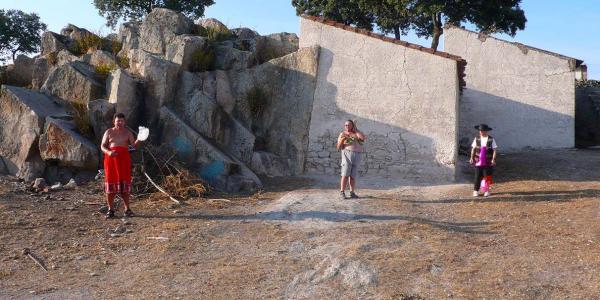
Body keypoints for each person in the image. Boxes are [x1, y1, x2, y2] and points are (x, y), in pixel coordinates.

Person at [101, 113, 140, 218]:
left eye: (122, 121)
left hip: (124, 160)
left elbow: (134, 146)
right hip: (111, 160)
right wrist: (109, 152)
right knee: (110, 185)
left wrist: (140, 138)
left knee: (125, 186)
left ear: (125, 122)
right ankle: (111, 210)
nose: (120, 123)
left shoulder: (128, 133)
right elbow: (103, 146)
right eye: (118, 121)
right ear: (114, 121)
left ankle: (127, 209)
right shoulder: (109, 132)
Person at [336, 120, 366, 199]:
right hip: (347, 154)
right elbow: (338, 147)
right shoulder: (342, 134)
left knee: (353, 175)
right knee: (345, 174)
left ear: (352, 126)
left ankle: (352, 192)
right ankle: (342, 192)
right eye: (345, 125)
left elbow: (362, 138)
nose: (347, 126)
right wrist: (343, 140)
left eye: (349, 125)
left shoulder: (356, 133)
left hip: (357, 155)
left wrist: (355, 130)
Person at [469, 124, 497, 197]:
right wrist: (471, 158)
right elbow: (473, 149)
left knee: (487, 176)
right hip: (478, 160)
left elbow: (494, 150)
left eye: (483, 131)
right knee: (477, 176)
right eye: (480, 131)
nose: (481, 132)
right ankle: (476, 190)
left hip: (488, 161)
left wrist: (493, 159)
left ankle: (487, 190)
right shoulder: (477, 138)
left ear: (486, 131)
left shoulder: (491, 139)